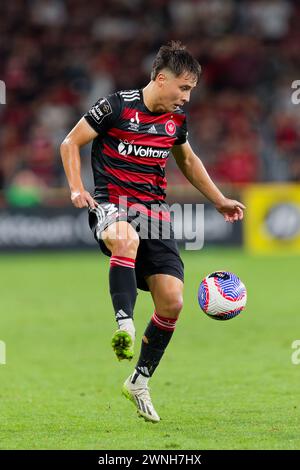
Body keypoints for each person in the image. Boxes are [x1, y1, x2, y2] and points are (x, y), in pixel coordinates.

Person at [60, 41, 245, 423]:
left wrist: (219, 199)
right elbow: (70, 142)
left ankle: (139, 380)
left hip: (156, 213)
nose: (187, 98)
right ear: (161, 80)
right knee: (124, 239)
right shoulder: (115, 106)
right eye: (184, 88)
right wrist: (77, 188)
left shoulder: (176, 121)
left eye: (190, 90)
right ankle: (123, 324)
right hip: (112, 203)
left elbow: (188, 160)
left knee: (173, 302)